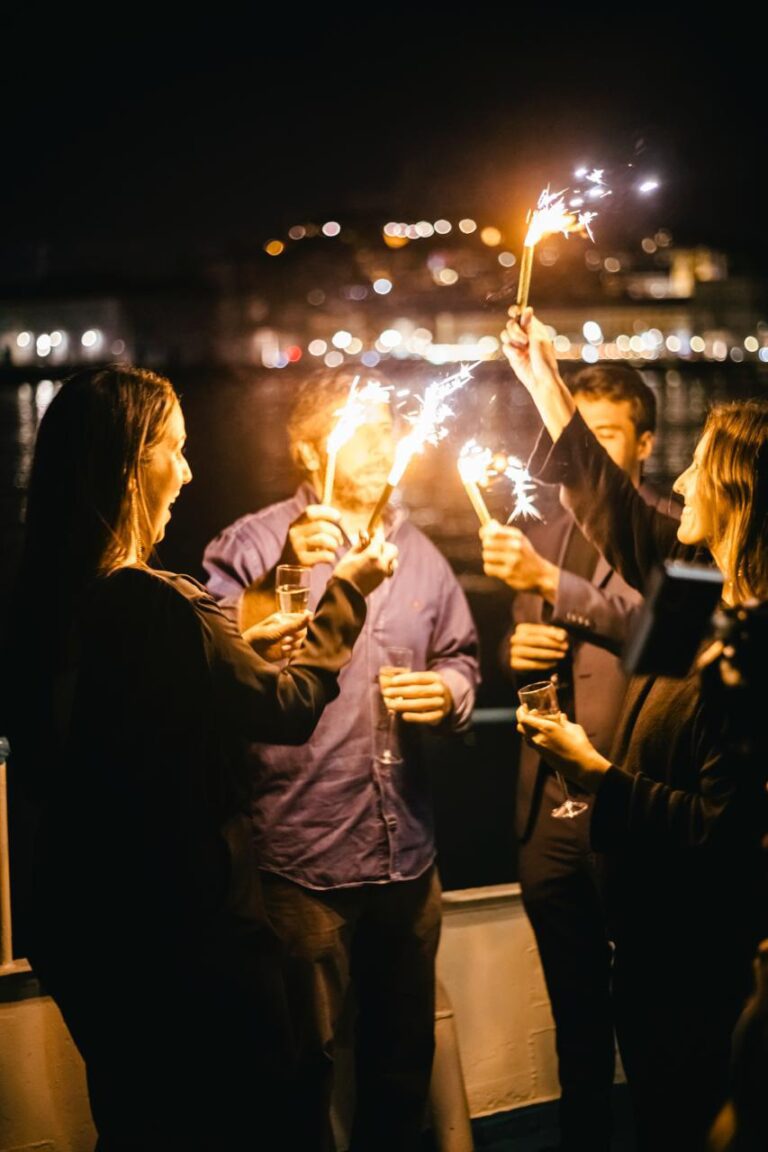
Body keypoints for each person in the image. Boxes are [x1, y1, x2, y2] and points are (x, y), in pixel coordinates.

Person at [0, 364, 397, 1152]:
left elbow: (109, 721)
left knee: (139, 1115)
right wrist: (345, 593)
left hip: (85, 924)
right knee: (247, 1117)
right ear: (127, 466)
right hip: (185, 929)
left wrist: (235, 644)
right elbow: (285, 710)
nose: (189, 472)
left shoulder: (45, 608)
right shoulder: (158, 601)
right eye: (173, 452)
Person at [502, 308, 768, 1152]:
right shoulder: (694, 588)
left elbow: (723, 829)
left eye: (698, 469)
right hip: (648, 930)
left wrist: (599, 774)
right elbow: (617, 513)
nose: (681, 485)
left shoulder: (753, 644)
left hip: (703, 949)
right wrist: (546, 383)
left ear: (737, 496)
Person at [202, 363, 480, 1152]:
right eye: (357, 429)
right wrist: (285, 573)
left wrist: (450, 692)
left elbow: (461, 653)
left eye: (386, 428)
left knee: (402, 1063)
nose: (380, 441)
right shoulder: (253, 544)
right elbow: (212, 654)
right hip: (302, 862)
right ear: (306, 447)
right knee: (302, 1069)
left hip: (408, 862)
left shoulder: (421, 553)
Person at [479, 363, 676, 1152]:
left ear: (645, 445)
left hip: (628, 799)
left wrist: (555, 586)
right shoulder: (539, 529)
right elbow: (525, 644)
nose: (581, 448)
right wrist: (511, 644)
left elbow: (666, 632)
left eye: (604, 434)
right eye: (574, 431)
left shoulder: (676, 525)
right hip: (544, 811)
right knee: (575, 1020)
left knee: (652, 1014)